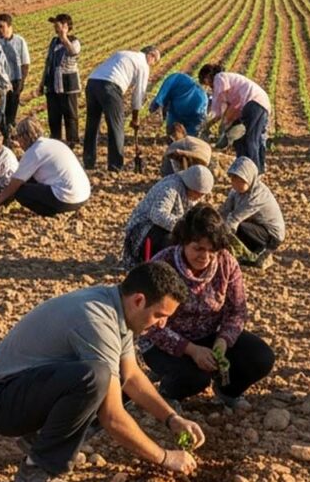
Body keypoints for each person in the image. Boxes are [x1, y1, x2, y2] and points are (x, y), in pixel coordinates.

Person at [0, 263, 206, 482]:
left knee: (115, 378)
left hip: (26, 390)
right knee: (96, 378)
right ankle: (38, 470)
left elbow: (132, 377)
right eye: (159, 315)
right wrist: (165, 457)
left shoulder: (118, 307)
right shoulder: (97, 319)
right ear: (139, 300)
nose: (162, 324)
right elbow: (112, 417)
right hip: (0, 402)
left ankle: (42, 443)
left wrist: (172, 419)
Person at [144, 205, 277, 408]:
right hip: (165, 341)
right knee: (196, 378)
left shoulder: (227, 264)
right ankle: (167, 392)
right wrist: (190, 350)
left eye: (212, 250)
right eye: (198, 248)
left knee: (260, 357)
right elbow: (150, 324)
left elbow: (237, 310)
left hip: (208, 336)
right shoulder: (163, 265)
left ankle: (228, 391)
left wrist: (223, 341)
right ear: (184, 241)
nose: (205, 256)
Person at [0, 117, 91, 217]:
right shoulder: (53, 143)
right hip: (83, 196)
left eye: (18, 137)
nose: (18, 142)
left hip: (65, 198)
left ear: (25, 137)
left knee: (20, 192)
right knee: (28, 180)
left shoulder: (34, 152)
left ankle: (53, 212)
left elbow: (14, 184)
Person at [84, 46, 160, 172]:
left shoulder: (124, 53)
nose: (152, 65)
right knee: (116, 126)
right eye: (154, 62)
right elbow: (138, 94)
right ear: (150, 56)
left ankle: (88, 161)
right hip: (110, 86)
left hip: (92, 82)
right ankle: (115, 166)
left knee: (92, 124)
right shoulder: (143, 65)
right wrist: (135, 118)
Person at [121, 164, 213, 267]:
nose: (200, 197)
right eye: (198, 194)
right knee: (171, 239)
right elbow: (158, 215)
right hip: (144, 231)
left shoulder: (191, 192)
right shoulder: (171, 187)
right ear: (191, 188)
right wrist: (183, 227)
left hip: (169, 227)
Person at [199, 64, 272, 173]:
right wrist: (219, 124)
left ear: (207, 77)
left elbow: (220, 105)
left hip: (254, 103)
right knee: (241, 140)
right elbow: (227, 109)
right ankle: (245, 169)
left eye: (206, 83)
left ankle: (254, 172)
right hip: (259, 103)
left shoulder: (220, 78)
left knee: (250, 139)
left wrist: (218, 125)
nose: (209, 87)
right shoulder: (230, 84)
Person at [220, 156, 284, 268]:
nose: (235, 184)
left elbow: (234, 219)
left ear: (249, 179)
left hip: (270, 235)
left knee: (238, 228)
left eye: (240, 181)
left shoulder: (256, 196)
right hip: (254, 225)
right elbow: (224, 211)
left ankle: (262, 253)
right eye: (233, 179)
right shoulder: (235, 192)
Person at [38, 14, 81, 146]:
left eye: (59, 24)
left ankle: (72, 142)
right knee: (54, 116)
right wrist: (42, 82)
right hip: (52, 84)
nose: (56, 27)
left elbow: (73, 52)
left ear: (67, 26)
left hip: (68, 84)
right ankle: (55, 142)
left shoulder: (74, 41)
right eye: (55, 25)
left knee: (70, 115)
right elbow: (48, 62)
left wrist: (64, 38)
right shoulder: (53, 41)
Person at [0, 14, 31, 137]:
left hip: (15, 81)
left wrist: (21, 82)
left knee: (11, 111)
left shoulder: (19, 41)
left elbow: (25, 64)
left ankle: (9, 135)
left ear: (10, 26)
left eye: (1, 27)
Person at [148, 70, 210, 138]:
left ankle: (179, 137)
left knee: (174, 132)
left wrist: (153, 107)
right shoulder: (179, 81)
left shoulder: (172, 81)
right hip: (200, 103)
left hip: (192, 105)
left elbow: (159, 99)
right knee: (191, 135)